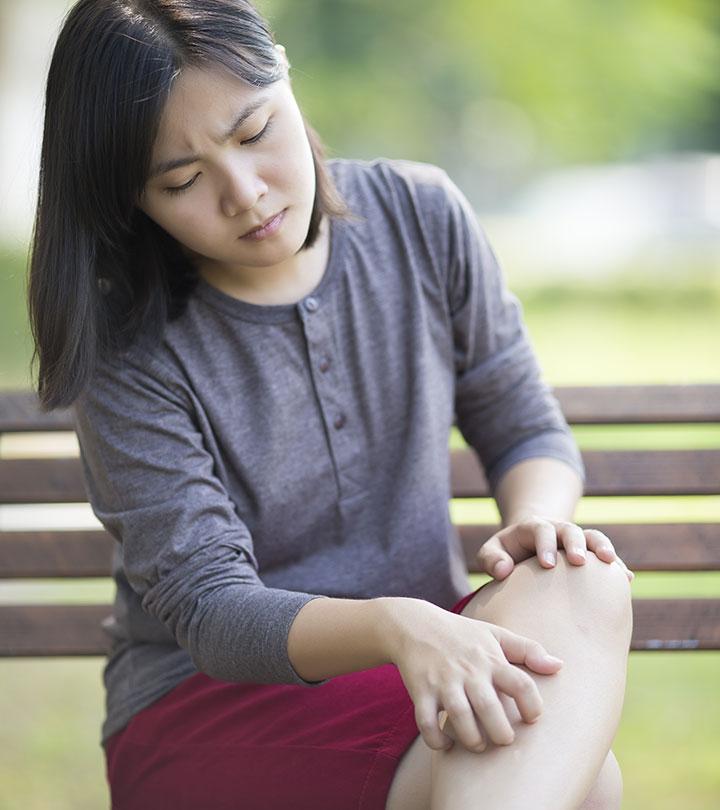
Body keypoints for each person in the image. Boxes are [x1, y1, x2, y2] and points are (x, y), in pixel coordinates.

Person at [27, 1, 635, 808]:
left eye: (254, 133)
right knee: (585, 778)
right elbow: (211, 611)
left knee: (584, 581)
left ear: (284, 70)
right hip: (210, 703)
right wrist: (395, 625)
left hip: (430, 649)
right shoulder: (128, 340)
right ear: (131, 198)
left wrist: (539, 522)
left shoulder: (421, 216)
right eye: (182, 180)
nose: (244, 193)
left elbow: (522, 420)